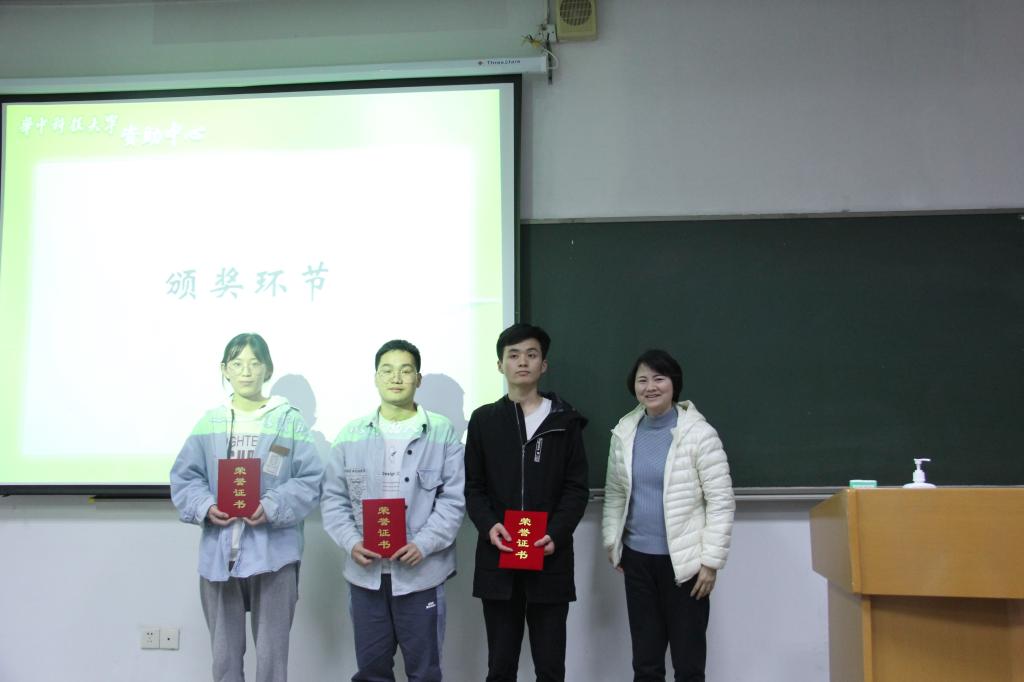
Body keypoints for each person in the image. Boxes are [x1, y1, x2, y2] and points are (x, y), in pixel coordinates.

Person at [170, 332, 324, 682]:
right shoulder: (210, 421)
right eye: (237, 363)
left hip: (274, 556)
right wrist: (205, 505)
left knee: (272, 660)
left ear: (268, 369)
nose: (246, 371)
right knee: (224, 660)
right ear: (225, 369)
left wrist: (272, 505)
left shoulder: (288, 420)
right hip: (219, 555)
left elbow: (311, 478)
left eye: (255, 363)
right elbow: (184, 477)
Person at [321, 339, 465, 682]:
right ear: (376, 377)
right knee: (372, 672)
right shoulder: (351, 434)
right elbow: (333, 498)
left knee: (425, 672)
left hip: (421, 573)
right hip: (366, 575)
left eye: (405, 370)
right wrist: (351, 542)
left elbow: (453, 500)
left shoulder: (441, 431)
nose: (396, 378)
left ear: (418, 378)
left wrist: (423, 544)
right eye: (387, 370)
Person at [464, 323, 589, 682]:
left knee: (550, 667)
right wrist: (489, 526)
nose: (522, 362)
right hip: (499, 555)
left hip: (549, 555)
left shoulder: (565, 421)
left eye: (531, 355)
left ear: (543, 365)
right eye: (514, 355)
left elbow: (576, 489)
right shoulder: (484, 420)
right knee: (500, 666)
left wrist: (556, 534)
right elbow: (473, 487)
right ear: (500, 365)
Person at [602, 349, 735, 682]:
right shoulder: (624, 433)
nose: (650, 387)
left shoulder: (699, 435)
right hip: (637, 561)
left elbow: (721, 501)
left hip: (686, 567)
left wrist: (710, 563)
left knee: (688, 665)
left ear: (674, 383)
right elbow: (615, 493)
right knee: (646, 664)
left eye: (658, 378)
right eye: (642, 380)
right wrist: (613, 542)